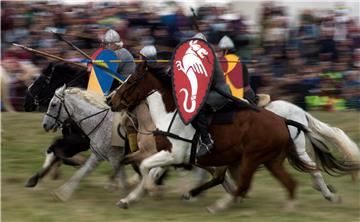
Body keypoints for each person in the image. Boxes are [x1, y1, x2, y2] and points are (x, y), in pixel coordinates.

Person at [191, 33, 231, 157]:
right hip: (212, 91)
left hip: (219, 92)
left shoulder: (208, 57)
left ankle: (206, 141)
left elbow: (203, 82)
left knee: (196, 109)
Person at [218, 35, 258, 105]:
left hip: (243, 96)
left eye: (220, 51)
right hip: (247, 94)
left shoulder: (225, 64)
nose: (218, 54)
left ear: (226, 51)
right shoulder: (237, 60)